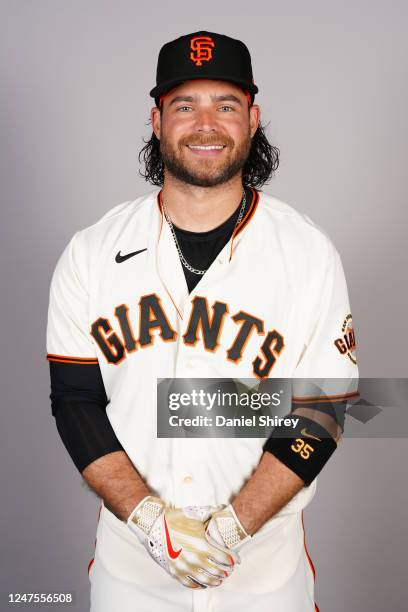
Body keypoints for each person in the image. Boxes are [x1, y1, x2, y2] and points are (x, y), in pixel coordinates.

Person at [46, 30, 359, 612]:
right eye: (185, 105)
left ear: (253, 117)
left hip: (264, 571)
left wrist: (229, 530)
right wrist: (147, 519)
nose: (206, 123)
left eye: (227, 105)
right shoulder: (90, 252)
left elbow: (323, 409)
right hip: (130, 569)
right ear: (157, 118)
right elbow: (75, 400)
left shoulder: (307, 252)